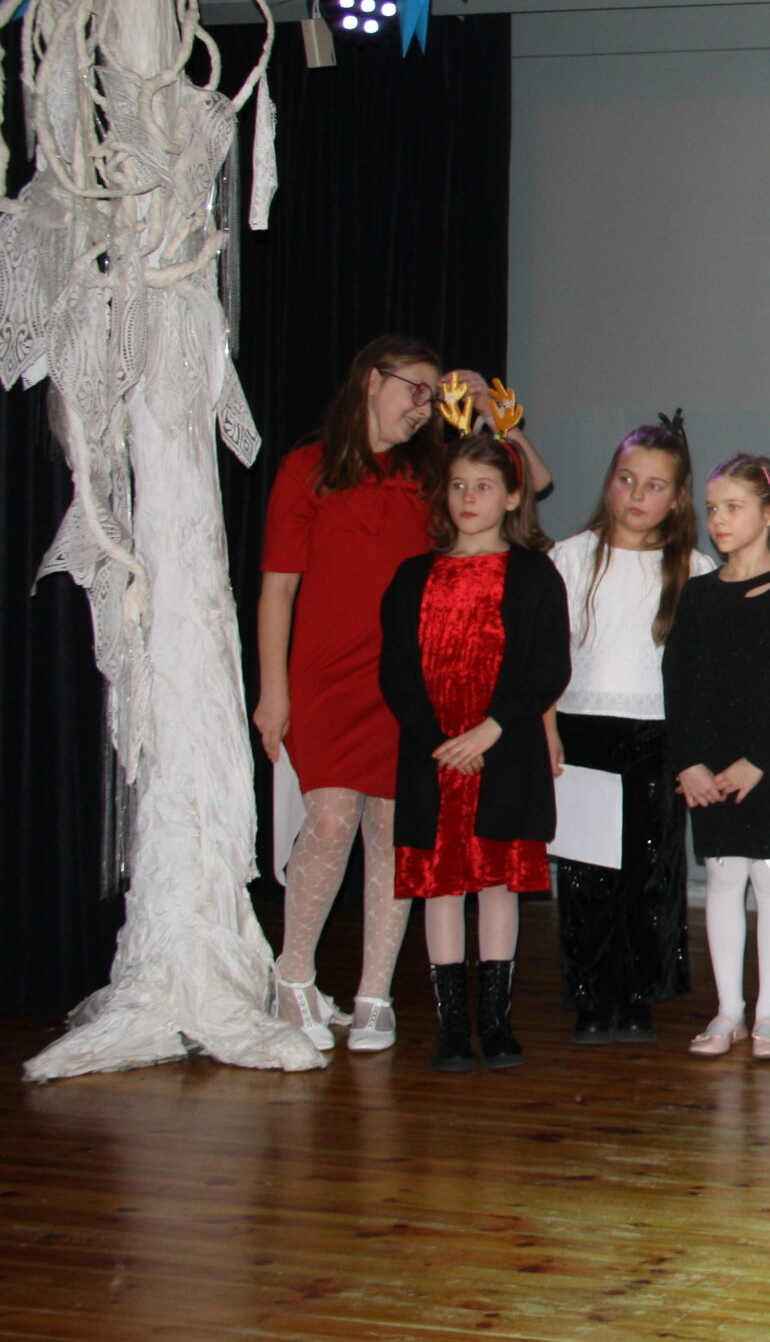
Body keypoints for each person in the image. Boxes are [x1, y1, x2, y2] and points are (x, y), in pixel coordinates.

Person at [256, 335, 541, 1054]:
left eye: (431, 395)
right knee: (329, 821)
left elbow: (530, 480)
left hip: (408, 681)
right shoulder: (306, 467)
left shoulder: (430, 470)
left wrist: (493, 410)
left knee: (394, 831)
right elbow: (278, 587)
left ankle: (374, 995)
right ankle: (292, 976)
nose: (422, 406)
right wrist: (272, 690)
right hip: (326, 678)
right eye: (412, 389)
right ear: (369, 381)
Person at [379, 434, 571, 1073]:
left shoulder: (534, 575)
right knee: (440, 884)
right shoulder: (412, 576)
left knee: (495, 881)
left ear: (512, 497)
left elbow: (547, 667)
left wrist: (490, 731)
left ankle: (495, 1020)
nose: (468, 498)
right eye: (459, 485)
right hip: (434, 757)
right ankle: (452, 1026)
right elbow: (397, 673)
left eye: (484, 487)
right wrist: (439, 742)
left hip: (503, 752)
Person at [546, 420, 713, 1044]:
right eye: (626, 480)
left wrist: (696, 749)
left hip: (658, 735)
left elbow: (701, 674)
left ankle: (641, 993)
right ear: (609, 482)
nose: (637, 496)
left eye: (655, 486)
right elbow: (546, 658)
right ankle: (592, 995)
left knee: (651, 871)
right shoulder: (570, 558)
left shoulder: (694, 569)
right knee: (587, 872)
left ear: (677, 497)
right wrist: (548, 730)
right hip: (583, 730)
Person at [664, 453, 770, 1059]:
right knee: (724, 876)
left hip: (769, 764)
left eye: (734, 507)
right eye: (713, 509)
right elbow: (678, 681)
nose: (719, 520)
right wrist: (688, 762)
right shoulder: (699, 593)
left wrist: (758, 761)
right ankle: (728, 1010)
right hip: (707, 766)